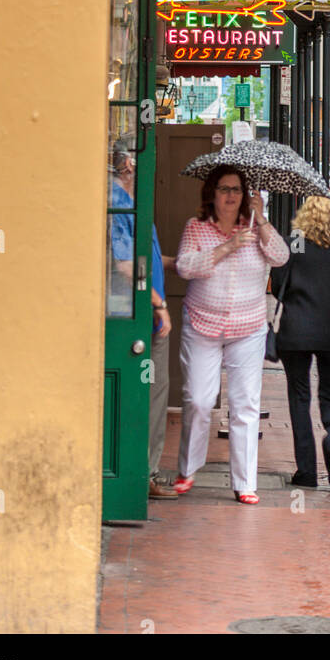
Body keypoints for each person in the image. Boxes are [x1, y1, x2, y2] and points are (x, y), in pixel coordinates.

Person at [174, 163, 289, 505]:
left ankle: (245, 482)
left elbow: (281, 257)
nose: (230, 196)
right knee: (198, 398)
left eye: (237, 190)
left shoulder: (257, 229)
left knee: (245, 405)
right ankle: (188, 468)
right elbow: (184, 267)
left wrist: (262, 219)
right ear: (211, 194)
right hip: (202, 325)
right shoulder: (197, 228)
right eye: (224, 189)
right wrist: (228, 246)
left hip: (248, 328)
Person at [272, 192, 330, 489]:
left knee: (299, 398)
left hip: (297, 332)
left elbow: (278, 284)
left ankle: (306, 470)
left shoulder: (294, 242)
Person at [109, 137, 177, 499]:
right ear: (131, 164)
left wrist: (174, 263)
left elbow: (142, 259)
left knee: (154, 391)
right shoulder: (119, 203)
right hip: (135, 316)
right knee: (147, 393)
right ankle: (141, 474)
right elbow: (122, 266)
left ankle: (142, 470)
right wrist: (159, 303)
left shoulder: (136, 202)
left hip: (145, 315)